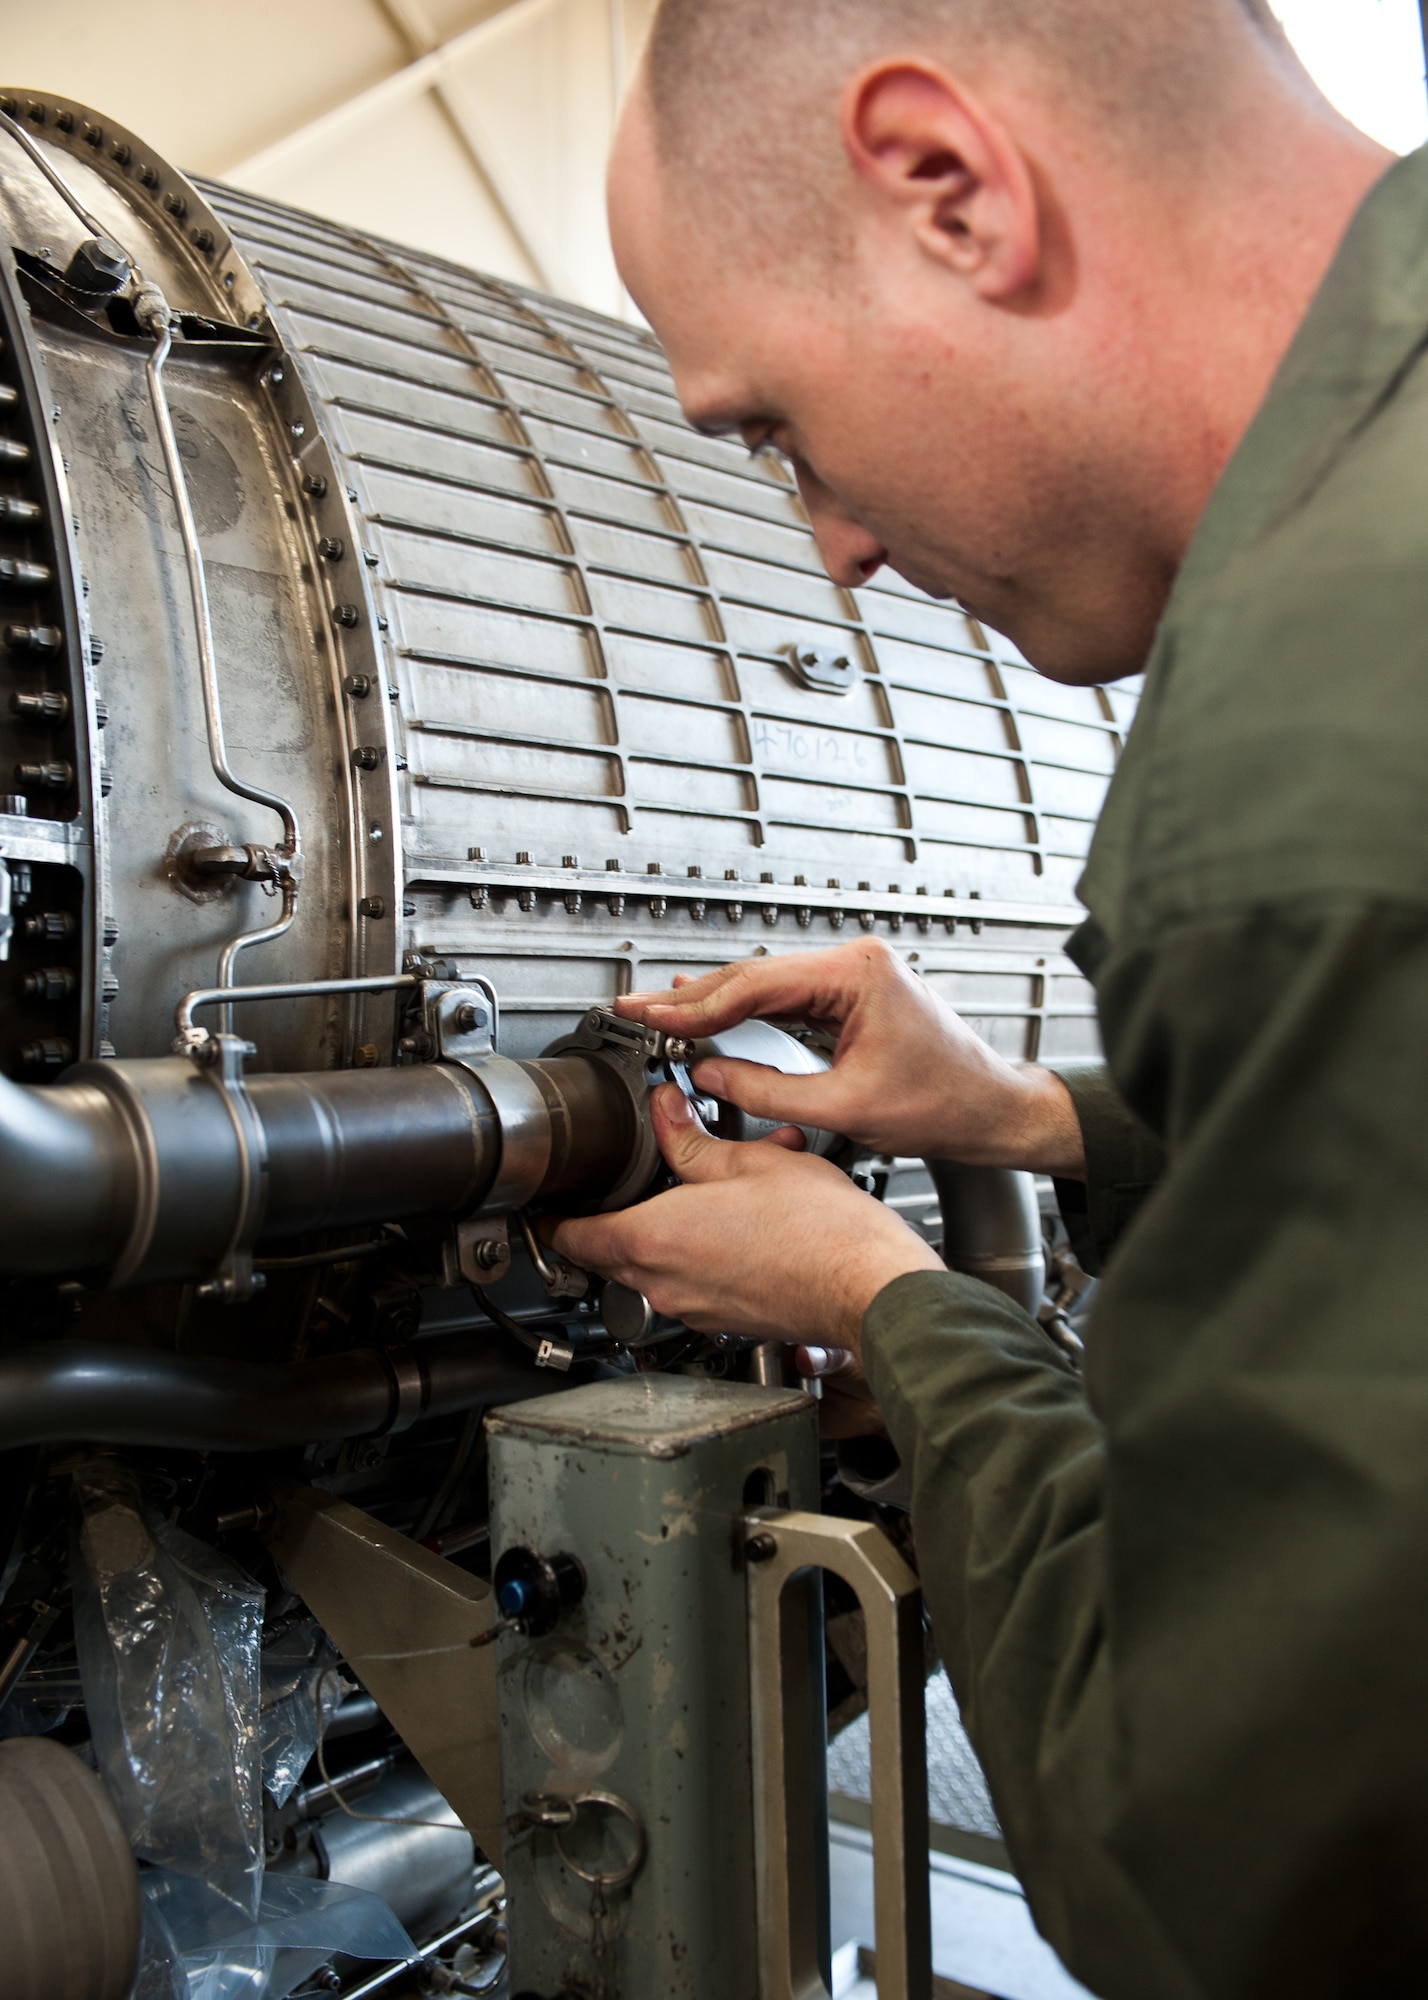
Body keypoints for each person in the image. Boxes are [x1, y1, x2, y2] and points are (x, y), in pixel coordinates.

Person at [550, 2, 1428, 1994]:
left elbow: (1221, 1869)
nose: (839, 544)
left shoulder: (1306, 743)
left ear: (952, 188)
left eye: (776, 429)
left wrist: (887, 1306)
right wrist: (1030, 1120)